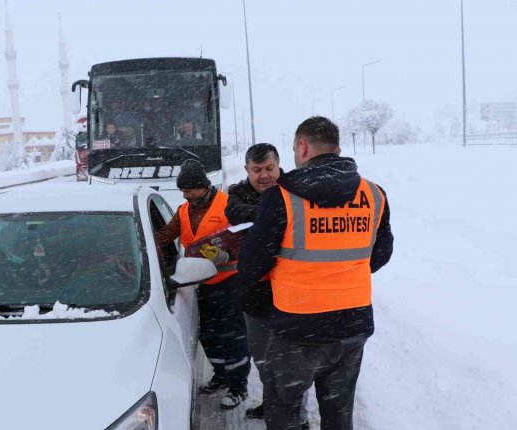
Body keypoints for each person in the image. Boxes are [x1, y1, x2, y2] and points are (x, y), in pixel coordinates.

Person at [238, 116, 394, 429]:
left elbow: (252, 264)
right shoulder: (374, 194)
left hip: (298, 327)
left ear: (303, 146)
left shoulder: (282, 198)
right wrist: (340, 273)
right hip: (353, 324)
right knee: (338, 412)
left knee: (283, 409)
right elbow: (380, 254)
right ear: (336, 147)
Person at [224, 143, 309, 428]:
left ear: (279, 166)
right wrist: (272, 214)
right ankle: (274, 403)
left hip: (291, 292)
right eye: (257, 170)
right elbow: (234, 211)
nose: (264, 176)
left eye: (269, 169)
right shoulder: (237, 194)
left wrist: (263, 216)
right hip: (254, 294)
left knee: (294, 364)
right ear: (246, 170)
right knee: (263, 361)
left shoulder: (295, 189)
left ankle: (299, 416)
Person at [155, 159, 251, 409]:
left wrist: (227, 255)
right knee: (209, 335)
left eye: (189, 190)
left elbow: (246, 239)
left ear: (202, 186)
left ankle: (238, 386)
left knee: (233, 336)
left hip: (229, 281)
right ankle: (220, 375)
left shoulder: (228, 204)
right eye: (183, 191)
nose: (185, 195)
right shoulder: (184, 210)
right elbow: (165, 235)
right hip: (199, 282)